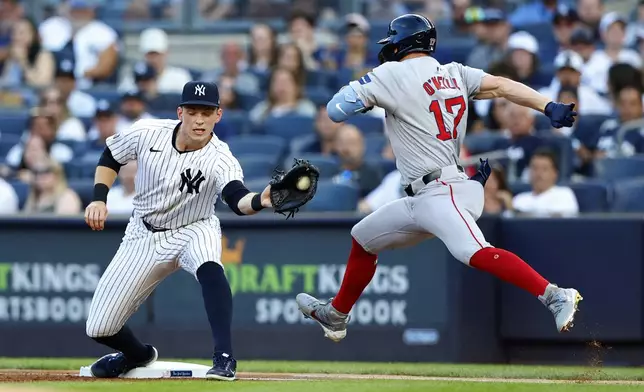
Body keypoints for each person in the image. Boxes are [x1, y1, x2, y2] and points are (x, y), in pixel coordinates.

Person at [295, 14, 582, 344]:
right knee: (363, 237)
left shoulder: (392, 73)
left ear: (402, 42)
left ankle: (554, 294)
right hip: (430, 192)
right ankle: (336, 315)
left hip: (442, 192)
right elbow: (503, 85)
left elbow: (335, 111)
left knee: (475, 252)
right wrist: (547, 105)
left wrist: (362, 91)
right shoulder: (455, 72)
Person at [83, 81, 291, 381]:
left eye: (207, 112)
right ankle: (138, 355)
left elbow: (237, 198)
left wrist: (262, 199)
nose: (199, 120)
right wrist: (99, 198)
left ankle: (224, 358)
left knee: (210, 267)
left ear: (218, 115)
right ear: (180, 112)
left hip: (195, 227)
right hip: (143, 233)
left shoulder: (220, 157)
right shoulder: (147, 132)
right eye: (193, 111)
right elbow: (111, 155)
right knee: (99, 328)